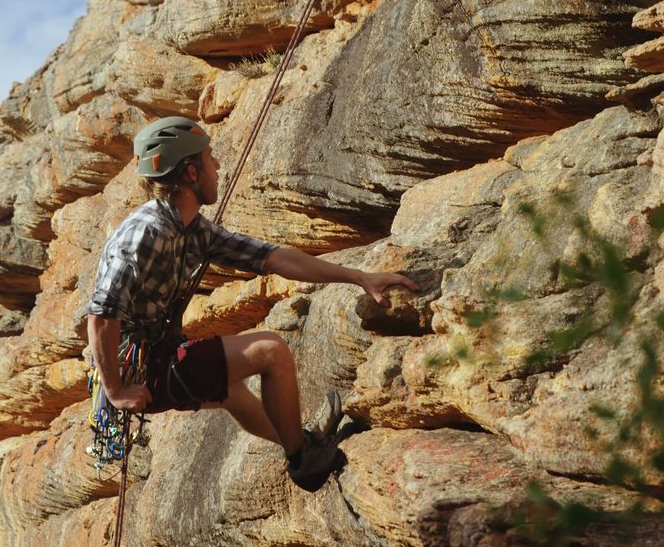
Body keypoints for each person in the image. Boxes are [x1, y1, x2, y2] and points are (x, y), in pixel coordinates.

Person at [86, 116, 418, 491]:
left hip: (153, 358)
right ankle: (303, 460)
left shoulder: (194, 229)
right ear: (192, 172)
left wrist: (359, 277)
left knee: (233, 393)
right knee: (270, 351)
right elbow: (101, 315)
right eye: (211, 159)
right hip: (138, 371)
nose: (219, 166)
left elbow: (275, 258)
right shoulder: (146, 231)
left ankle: (300, 444)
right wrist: (116, 389)